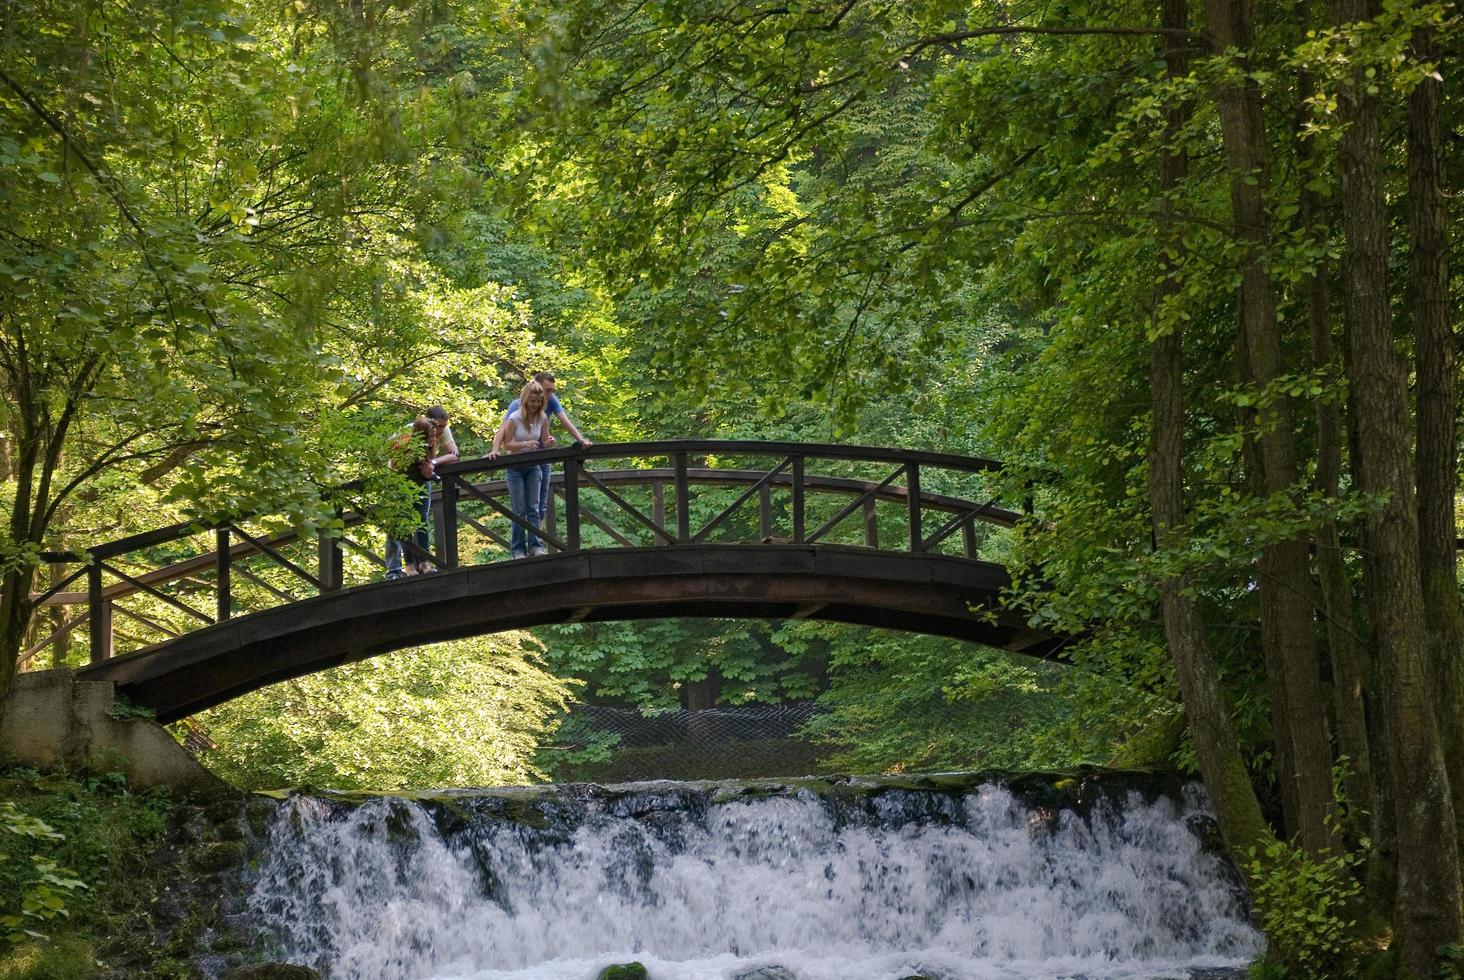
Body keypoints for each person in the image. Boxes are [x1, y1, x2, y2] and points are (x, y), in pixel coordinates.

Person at [502, 371, 592, 530]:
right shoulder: (517, 407)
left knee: (539, 505)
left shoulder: (550, 401)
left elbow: (564, 420)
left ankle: (536, 542)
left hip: (542, 458)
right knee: (520, 508)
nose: (550, 394)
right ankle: (520, 547)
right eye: (547, 390)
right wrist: (495, 450)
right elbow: (503, 432)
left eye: (552, 390)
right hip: (519, 460)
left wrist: (580, 440)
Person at [384, 406, 459, 579]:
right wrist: (416, 462)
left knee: (421, 520)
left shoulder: (435, 434)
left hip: (421, 478)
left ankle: (424, 562)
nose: (440, 433)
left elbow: (454, 454)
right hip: (399, 477)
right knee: (403, 522)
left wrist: (431, 463)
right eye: (437, 429)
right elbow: (395, 463)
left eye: (442, 428)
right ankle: (406, 566)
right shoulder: (406, 435)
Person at [489, 381, 552, 558]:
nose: (535, 405)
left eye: (538, 401)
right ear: (525, 400)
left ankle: (535, 545)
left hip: (534, 467)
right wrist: (525, 444)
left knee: (534, 507)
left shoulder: (542, 418)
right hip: (515, 469)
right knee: (519, 509)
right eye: (532, 401)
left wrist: (548, 443)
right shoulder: (514, 418)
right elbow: (507, 444)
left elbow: (544, 442)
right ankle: (517, 549)